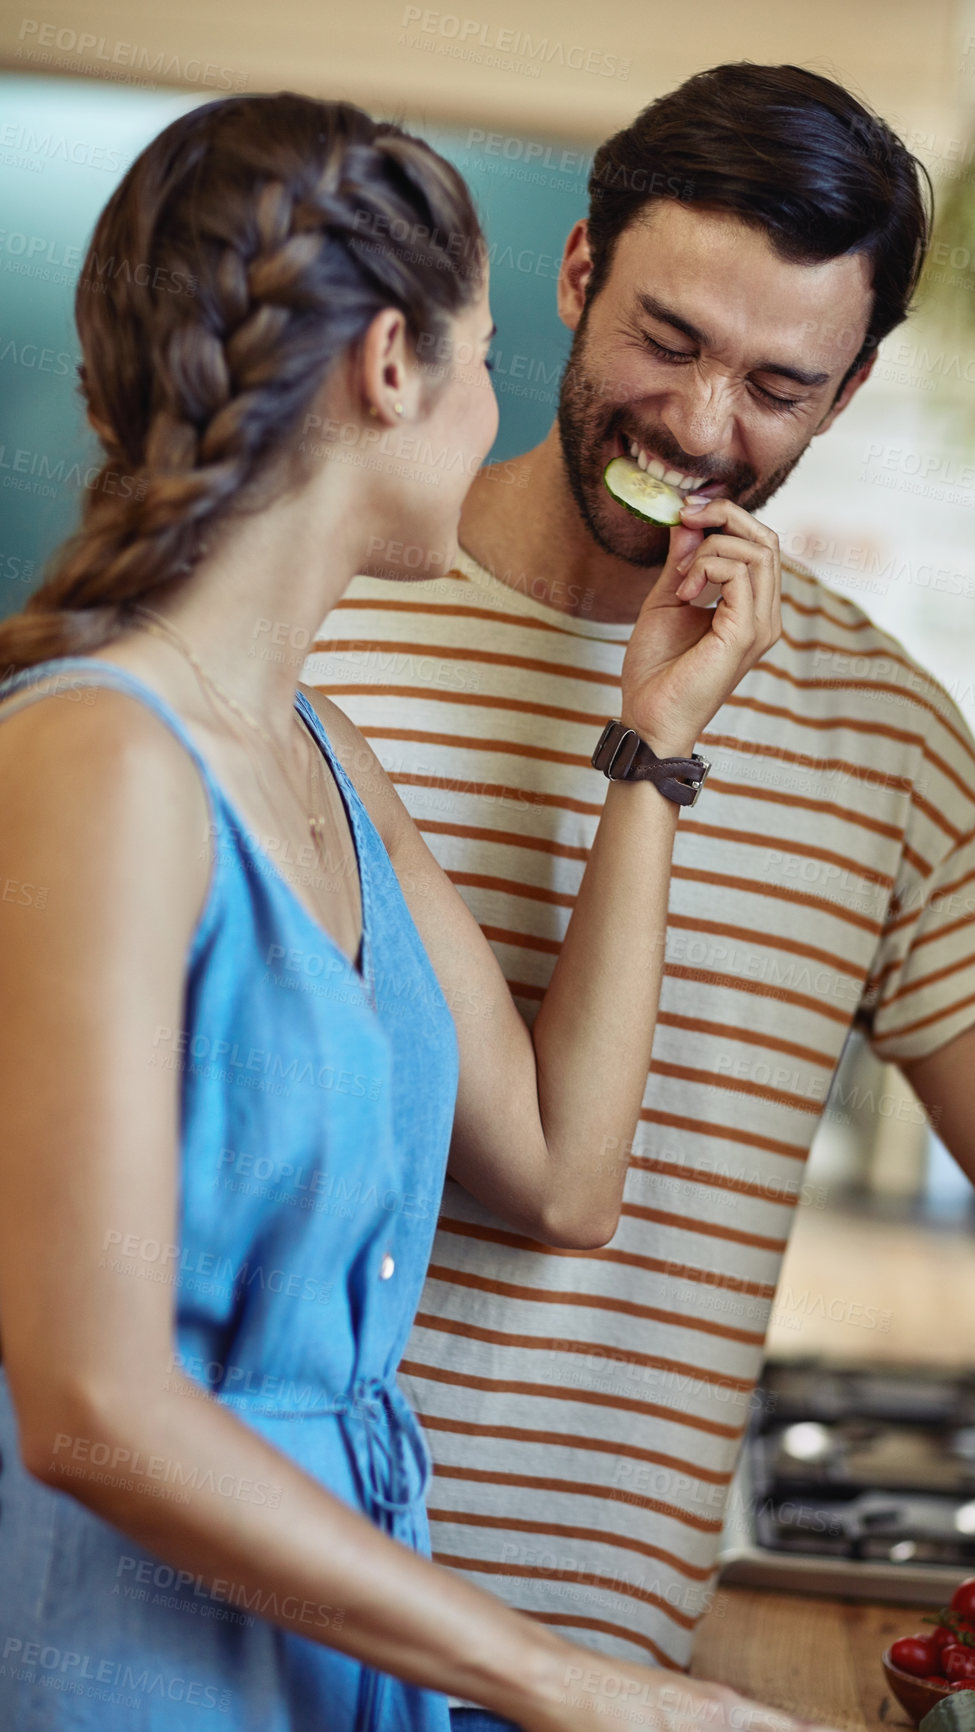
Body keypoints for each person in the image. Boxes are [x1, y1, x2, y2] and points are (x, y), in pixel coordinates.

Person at [303, 61, 975, 1726]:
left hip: (610, 1689)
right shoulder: (312, 621)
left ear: (847, 391)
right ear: (573, 275)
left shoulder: (885, 738)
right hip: (257, 1622)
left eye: (778, 383)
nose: (700, 430)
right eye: (668, 343)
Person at [0, 90, 808, 1732]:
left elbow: (566, 1173)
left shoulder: (323, 757)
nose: (496, 407)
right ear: (390, 366)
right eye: (489, 352)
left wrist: (653, 745)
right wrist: (578, 1689)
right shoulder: (96, 759)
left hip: (337, 1676)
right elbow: (88, 1401)